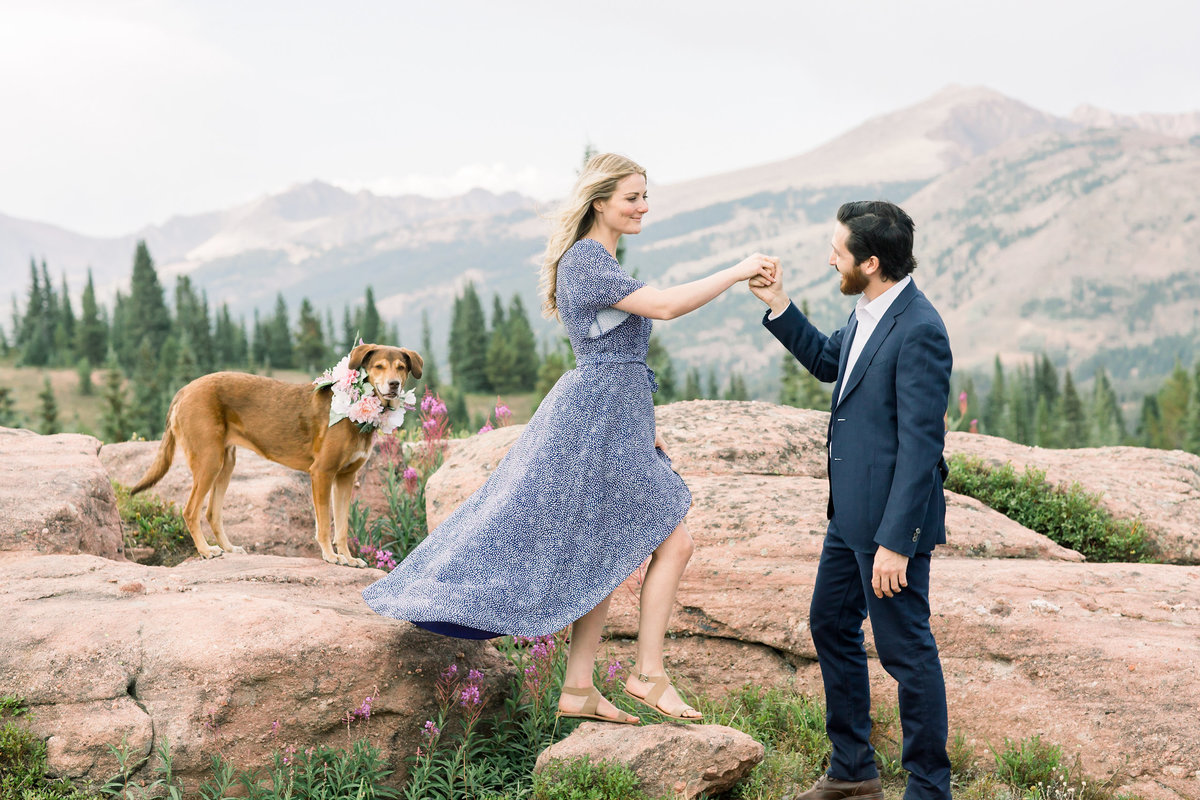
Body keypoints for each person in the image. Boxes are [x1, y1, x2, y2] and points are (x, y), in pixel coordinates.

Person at [362, 153, 777, 724]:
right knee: (667, 543)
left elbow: (625, 357)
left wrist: (643, 431)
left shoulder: (598, 257)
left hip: (616, 416)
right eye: (632, 196)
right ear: (599, 201)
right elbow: (663, 308)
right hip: (597, 416)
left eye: (645, 195)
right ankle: (647, 675)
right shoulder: (587, 261)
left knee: (605, 547)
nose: (643, 206)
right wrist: (735, 270)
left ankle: (582, 686)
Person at [749, 201, 953, 800]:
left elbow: (921, 448)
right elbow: (826, 360)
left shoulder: (919, 328)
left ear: (870, 261)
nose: (829, 258)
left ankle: (929, 787)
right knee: (831, 623)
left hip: (890, 526)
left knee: (905, 650)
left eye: (838, 251)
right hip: (848, 517)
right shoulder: (869, 311)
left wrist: (897, 542)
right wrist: (779, 304)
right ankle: (853, 772)